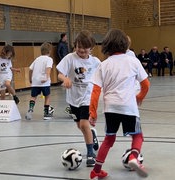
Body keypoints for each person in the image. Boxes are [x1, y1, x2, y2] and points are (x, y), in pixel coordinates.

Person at [89, 29, 150, 179]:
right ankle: (133, 157)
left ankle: (96, 170)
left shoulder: (103, 65)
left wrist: (93, 112)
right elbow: (146, 84)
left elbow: (96, 91)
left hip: (110, 108)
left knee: (109, 139)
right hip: (128, 106)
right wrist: (139, 96)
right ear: (125, 44)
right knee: (138, 136)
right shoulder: (133, 61)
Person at [56, 30, 100, 167]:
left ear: (91, 48)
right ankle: (92, 135)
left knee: (83, 124)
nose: (81, 51)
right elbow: (59, 74)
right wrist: (65, 79)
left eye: (84, 50)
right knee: (79, 125)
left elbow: (102, 78)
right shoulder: (70, 58)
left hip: (88, 95)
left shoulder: (95, 62)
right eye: (78, 48)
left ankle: (91, 154)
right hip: (74, 97)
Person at [25, 42, 54, 120]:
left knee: (33, 97)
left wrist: (30, 79)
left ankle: (30, 110)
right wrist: (46, 77)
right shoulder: (49, 59)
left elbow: (30, 69)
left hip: (35, 81)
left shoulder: (37, 59)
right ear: (49, 51)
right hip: (44, 82)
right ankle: (46, 113)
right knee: (47, 96)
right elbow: (48, 68)